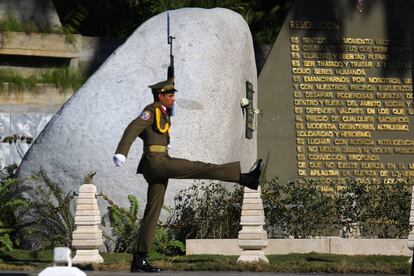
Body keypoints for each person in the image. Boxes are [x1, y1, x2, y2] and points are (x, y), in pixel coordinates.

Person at [113, 77, 263, 273]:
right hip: (157, 163)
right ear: (160, 96)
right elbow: (132, 128)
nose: (173, 99)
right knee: (199, 167)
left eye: (173, 95)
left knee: (153, 210)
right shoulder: (151, 111)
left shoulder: (162, 112)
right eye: (169, 95)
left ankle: (139, 259)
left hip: (159, 162)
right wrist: (121, 152)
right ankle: (244, 178)